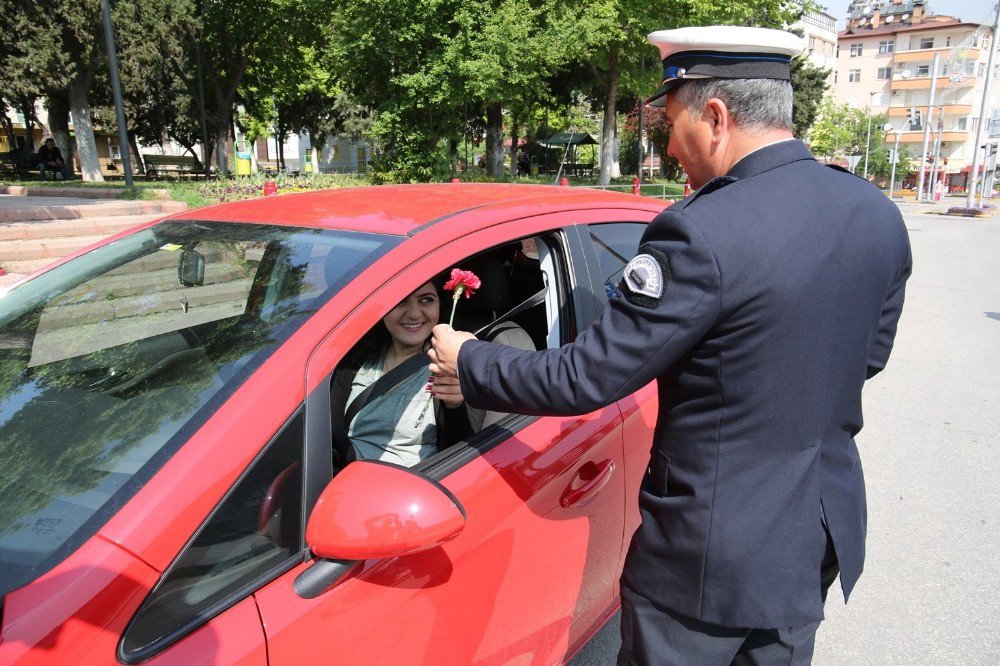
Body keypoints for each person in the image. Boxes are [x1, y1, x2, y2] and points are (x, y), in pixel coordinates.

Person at [430, 25, 912, 665]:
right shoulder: (872, 211)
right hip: (812, 537)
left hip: (707, 563)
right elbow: (867, 358)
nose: (668, 143)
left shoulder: (700, 232)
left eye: (671, 121)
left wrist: (468, 358)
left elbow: (588, 378)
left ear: (715, 117)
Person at [330, 279, 469, 469]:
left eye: (426, 300)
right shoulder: (355, 360)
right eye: (400, 301)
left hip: (407, 489)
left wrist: (456, 406)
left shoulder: (447, 368)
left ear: (440, 305)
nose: (413, 314)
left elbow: (459, 458)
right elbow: (328, 433)